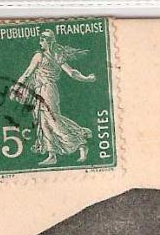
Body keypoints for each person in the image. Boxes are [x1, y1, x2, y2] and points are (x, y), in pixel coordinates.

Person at [11, 29, 96, 166]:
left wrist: (86, 79)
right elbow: (71, 73)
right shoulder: (49, 56)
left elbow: (71, 72)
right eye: (40, 40)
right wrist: (87, 79)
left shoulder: (46, 56)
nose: (40, 42)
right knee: (44, 122)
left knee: (53, 121)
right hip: (41, 90)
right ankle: (52, 155)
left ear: (49, 41)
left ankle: (80, 141)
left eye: (42, 40)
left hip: (47, 90)